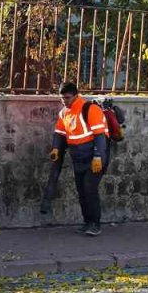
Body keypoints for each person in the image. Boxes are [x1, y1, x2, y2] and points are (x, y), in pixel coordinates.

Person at [50, 82, 109, 236]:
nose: (64, 101)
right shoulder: (64, 113)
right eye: (62, 98)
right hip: (79, 159)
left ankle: (95, 224)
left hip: (94, 158)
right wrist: (56, 148)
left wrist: (98, 157)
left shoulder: (90, 109)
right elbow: (59, 133)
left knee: (90, 189)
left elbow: (100, 136)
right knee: (81, 190)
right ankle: (87, 222)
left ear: (76, 95)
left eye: (67, 98)